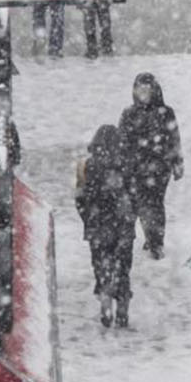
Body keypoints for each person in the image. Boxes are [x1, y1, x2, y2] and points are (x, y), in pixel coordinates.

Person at [75, 125, 136, 328]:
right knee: (122, 268)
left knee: (102, 268)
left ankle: (105, 305)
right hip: (123, 228)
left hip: (98, 228)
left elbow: (80, 199)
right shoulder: (127, 167)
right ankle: (123, 309)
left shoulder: (86, 166)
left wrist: (88, 220)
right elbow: (136, 198)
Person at [118, 73, 183, 259]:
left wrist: (178, 162)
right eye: (139, 90)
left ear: (154, 90)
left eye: (147, 90)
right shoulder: (129, 113)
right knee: (140, 205)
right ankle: (151, 236)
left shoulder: (166, 112)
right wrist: (122, 164)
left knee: (154, 204)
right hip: (136, 167)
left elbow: (174, 138)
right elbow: (121, 141)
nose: (143, 94)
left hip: (160, 168)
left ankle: (156, 241)